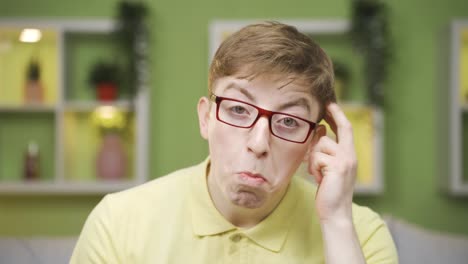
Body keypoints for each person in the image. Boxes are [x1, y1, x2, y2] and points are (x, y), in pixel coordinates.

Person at [70, 22, 398, 263]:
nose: (258, 143)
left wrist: (337, 224)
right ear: (206, 117)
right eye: (239, 109)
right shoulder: (117, 222)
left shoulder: (362, 234)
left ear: (313, 143)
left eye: (288, 121)